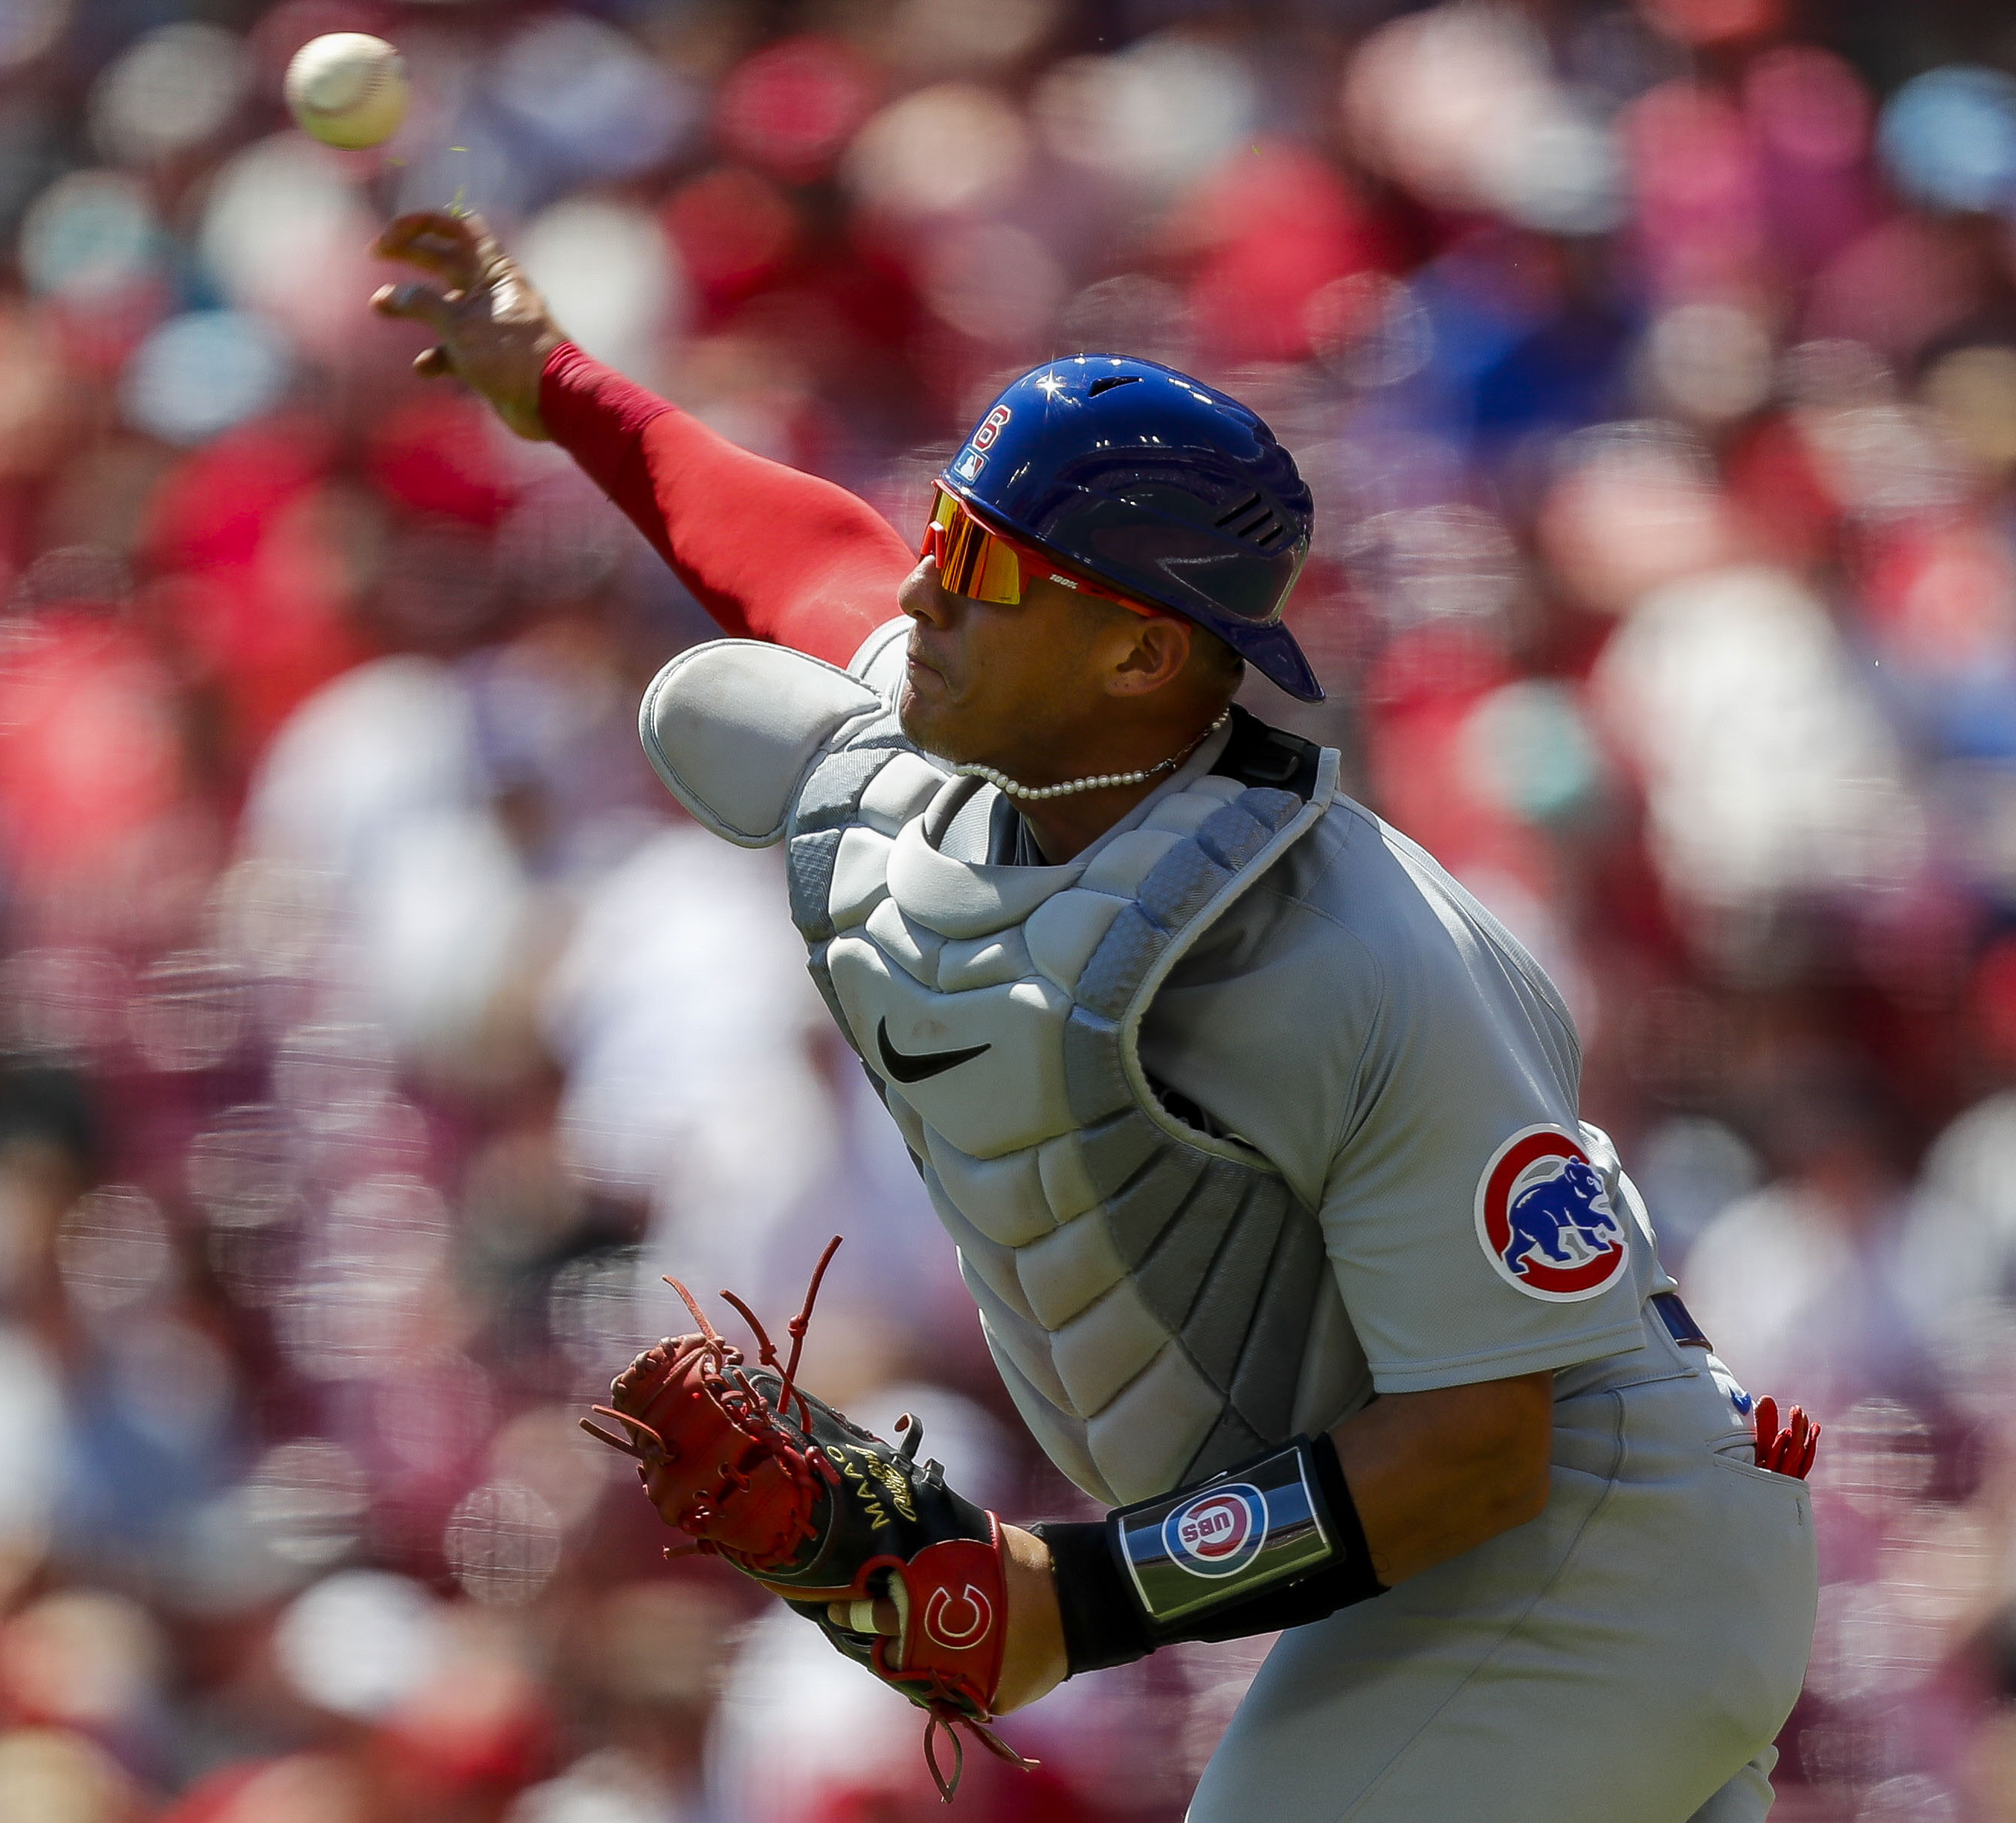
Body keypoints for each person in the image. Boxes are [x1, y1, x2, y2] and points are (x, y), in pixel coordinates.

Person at [371, 211, 1820, 1822]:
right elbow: (786, 555)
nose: (925, 583)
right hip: (1474, 1572)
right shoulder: (974, 752)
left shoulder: (1357, 952)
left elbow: (1484, 1444)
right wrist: (558, 384)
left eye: (985, 561)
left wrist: (1072, 1600)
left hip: (1589, 1547)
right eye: (945, 525)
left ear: (1139, 649)